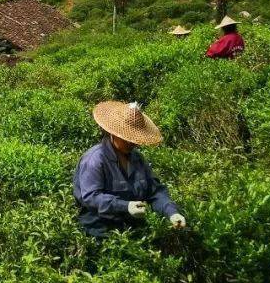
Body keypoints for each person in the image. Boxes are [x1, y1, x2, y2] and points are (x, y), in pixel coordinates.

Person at [73, 100, 186, 239]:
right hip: (100, 230)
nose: (131, 142)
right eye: (126, 138)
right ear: (113, 133)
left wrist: (172, 213)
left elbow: (155, 191)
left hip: (132, 229)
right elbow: (91, 197)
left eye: (133, 138)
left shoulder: (137, 159)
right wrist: (124, 206)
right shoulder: (95, 159)